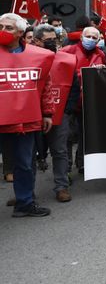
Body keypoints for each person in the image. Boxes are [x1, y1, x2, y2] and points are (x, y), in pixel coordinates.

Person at [0, 13, 55, 217]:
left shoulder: (38, 56)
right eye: (0, 27)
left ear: (21, 33)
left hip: (25, 121)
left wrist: (48, 113)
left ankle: (24, 203)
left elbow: (45, 86)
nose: (3, 31)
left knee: (24, 163)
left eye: (8, 28)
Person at [31, 24, 77, 202]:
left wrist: (67, 110)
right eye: (48, 40)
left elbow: (74, 87)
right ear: (36, 41)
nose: (52, 43)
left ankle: (61, 187)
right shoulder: (27, 58)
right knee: (29, 154)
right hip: (31, 113)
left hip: (60, 113)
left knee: (59, 151)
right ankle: (26, 193)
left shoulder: (66, 60)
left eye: (54, 40)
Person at [59, 26, 106, 176]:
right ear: (81, 37)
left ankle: (82, 163)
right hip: (68, 100)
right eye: (89, 36)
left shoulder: (100, 54)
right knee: (66, 135)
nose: (91, 40)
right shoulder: (67, 51)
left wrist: (101, 71)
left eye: (95, 38)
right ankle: (65, 167)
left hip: (88, 101)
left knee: (84, 134)